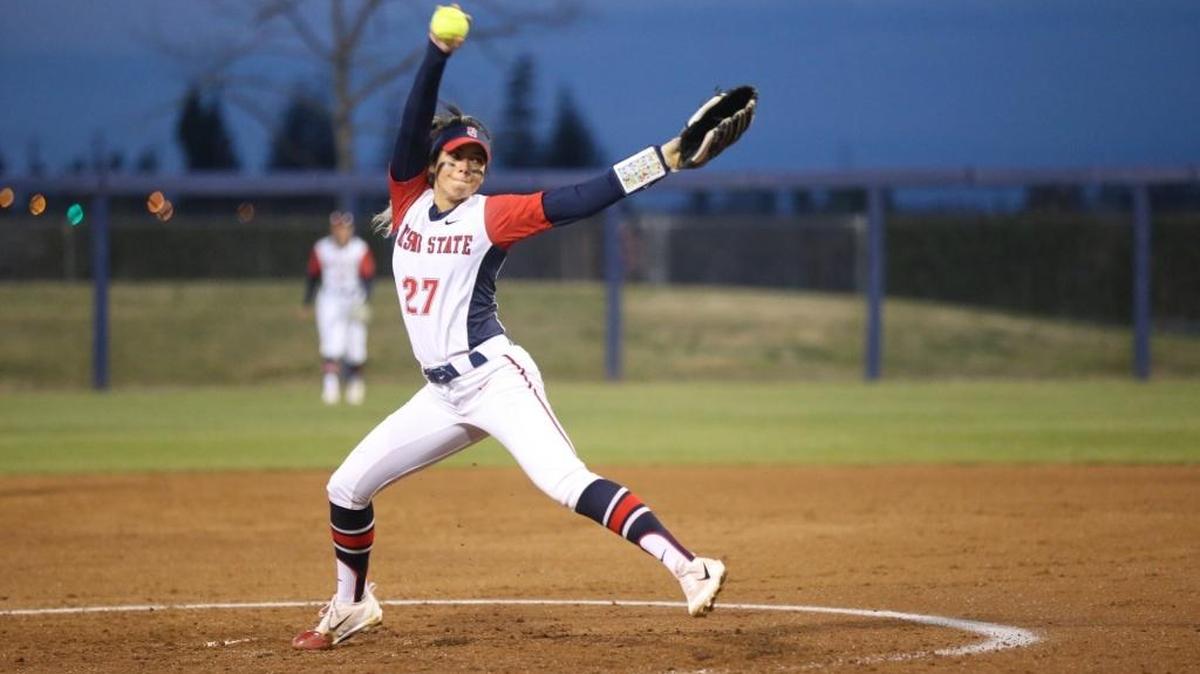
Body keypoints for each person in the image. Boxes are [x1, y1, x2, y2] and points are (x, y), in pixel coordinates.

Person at [292, 9, 746, 651]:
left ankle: (690, 567)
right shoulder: (406, 202)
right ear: (435, 163)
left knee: (565, 481)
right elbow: (409, 119)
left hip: (496, 379)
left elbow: (582, 196)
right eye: (458, 158)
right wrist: (435, 53)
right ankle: (352, 604)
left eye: (478, 161)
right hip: (441, 394)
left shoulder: (492, 218)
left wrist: (666, 159)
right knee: (345, 488)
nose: (469, 168)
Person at [303, 211, 376, 405]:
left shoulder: (359, 248)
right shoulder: (322, 248)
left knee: (356, 344)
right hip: (330, 298)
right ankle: (330, 385)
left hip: (354, 297)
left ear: (350, 229)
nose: (342, 232)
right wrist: (307, 302)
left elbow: (368, 277)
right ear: (332, 229)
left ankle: (356, 384)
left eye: (345, 227)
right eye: (338, 228)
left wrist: (366, 301)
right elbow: (312, 276)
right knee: (330, 343)